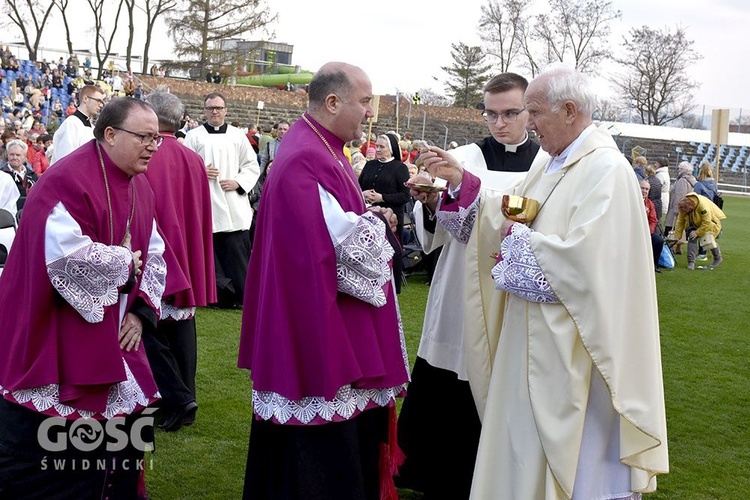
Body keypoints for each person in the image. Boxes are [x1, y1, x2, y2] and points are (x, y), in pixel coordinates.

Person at [421, 64, 669, 499]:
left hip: (576, 354)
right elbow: (512, 207)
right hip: (533, 343)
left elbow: (586, 266)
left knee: (579, 465)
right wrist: (461, 185)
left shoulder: (605, 171)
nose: (528, 124)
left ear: (569, 110)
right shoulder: (553, 165)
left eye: (533, 112)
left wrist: (518, 243)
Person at [238, 62, 409, 500]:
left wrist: (369, 218)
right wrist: (384, 229)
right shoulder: (306, 158)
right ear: (333, 102)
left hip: (322, 318)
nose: (371, 112)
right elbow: (343, 253)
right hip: (315, 327)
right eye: (365, 101)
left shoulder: (319, 147)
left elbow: (336, 225)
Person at [0, 97, 166, 498]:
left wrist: (141, 311)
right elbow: (67, 262)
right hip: (56, 337)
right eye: (144, 137)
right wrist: (125, 262)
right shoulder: (66, 181)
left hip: (118, 334)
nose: (153, 146)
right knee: (60, 464)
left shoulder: (140, 187)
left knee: (117, 448)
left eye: (157, 139)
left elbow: (157, 251)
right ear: (110, 134)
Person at [396, 72, 542, 500]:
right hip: (461, 287)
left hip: (515, 292)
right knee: (451, 373)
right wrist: (428, 203)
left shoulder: (545, 165)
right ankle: (438, 472)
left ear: (529, 113)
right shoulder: (463, 157)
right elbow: (436, 233)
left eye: (511, 113)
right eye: (491, 113)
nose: (500, 123)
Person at [142, 91, 217, 432]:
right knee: (183, 330)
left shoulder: (147, 155)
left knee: (150, 330)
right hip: (186, 250)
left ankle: (173, 398)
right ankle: (185, 398)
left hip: (159, 252)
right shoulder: (192, 158)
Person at [183, 93, 259, 308]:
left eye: (218, 107)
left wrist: (238, 182)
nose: (214, 111)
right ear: (204, 111)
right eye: (210, 108)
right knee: (210, 254)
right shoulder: (194, 136)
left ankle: (240, 297)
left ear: (226, 110)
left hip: (232, 201)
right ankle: (212, 296)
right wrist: (199, 171)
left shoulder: (237, 136)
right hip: (206, 201)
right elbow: (185, 165)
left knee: (236, 253)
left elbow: (251, 166)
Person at [51, 84, 106, 164]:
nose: (101, 105)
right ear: (85, 99)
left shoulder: (92, 128)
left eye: (102, 102)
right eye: (98, 101)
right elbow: (65, 160)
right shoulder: (70, 124)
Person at [671, 193, 725, 270]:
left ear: (690, 207)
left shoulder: (702, 206)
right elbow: (680, 222)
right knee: (691, 237)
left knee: (708, 240)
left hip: (711, 222)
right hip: (694, 222)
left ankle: (717, 258)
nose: (685, 213)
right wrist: (677, 236)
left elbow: (707, 222)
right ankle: (691, 262)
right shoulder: (684, 207)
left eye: (687, 211)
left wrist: (697, 232)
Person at [664, 161, 697, 254]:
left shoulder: (682, 180)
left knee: (672, 228)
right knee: (680, 228)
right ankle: (678, 248)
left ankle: (671, 248)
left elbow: (679, 196)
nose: (679, 170)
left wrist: (676, 210)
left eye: (680, 168)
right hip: (686, 208)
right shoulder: (692, 179)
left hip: (678, 208)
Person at [1, 139, 38, 209]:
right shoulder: (2, 176)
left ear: (24, 157)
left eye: (18, 155)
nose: (14, 158)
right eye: (11, 155)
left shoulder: (32, 175)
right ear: (7, 156)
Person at [640, 177, 665, 272]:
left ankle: (654, 265)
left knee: (659, 240)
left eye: (646, 189)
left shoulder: (650, 204)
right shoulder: (631, 200)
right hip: (632, 231)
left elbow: (653, 220)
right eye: (642, 188)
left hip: (646, 232)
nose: (644, 191)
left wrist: (648, 232)